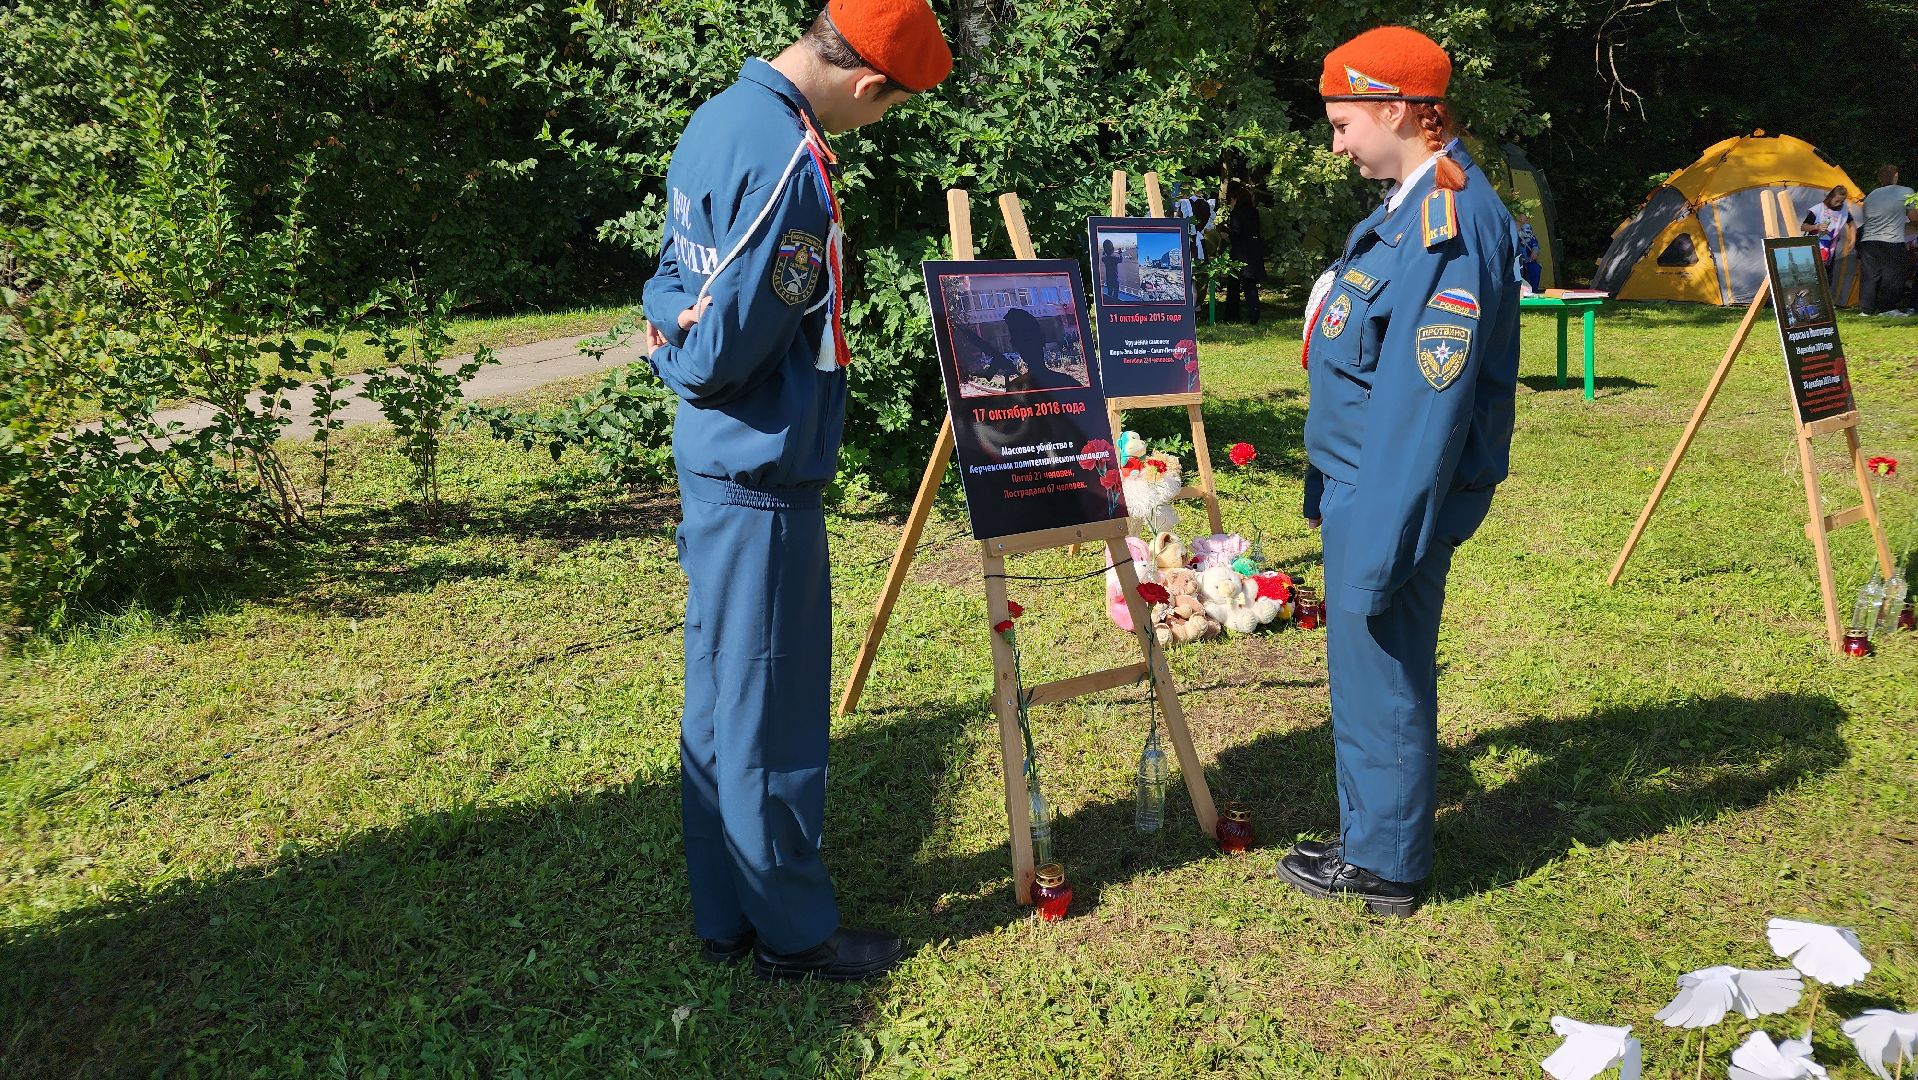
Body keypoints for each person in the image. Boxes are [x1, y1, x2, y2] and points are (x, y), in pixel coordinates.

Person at [640, 0, 951, 982]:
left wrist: (670, 333)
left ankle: (725, 910)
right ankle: (791, 931)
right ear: (868, 85)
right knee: (769, 710)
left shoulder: (717, 116)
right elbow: (724, 344)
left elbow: (664, 282)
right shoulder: (793, 163)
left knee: (720, 699)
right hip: (759, 473)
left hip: (717, 463)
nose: (882, 120)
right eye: (892, 107)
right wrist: (680, 355)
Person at [1276, 26, 1520, 918]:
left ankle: (1385, 863)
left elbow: (1423, 417)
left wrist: (1376, 545)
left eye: (1345, 123)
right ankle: (1373, 832)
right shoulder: (1410, 208)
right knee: (1370, 670)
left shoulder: (1446, 228)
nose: (1337, 143)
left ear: (1397, 110)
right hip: (1362, 485)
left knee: (1381, 668)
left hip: (1389, 493)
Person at [1856, 165, 1914, 316]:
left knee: (1870, 275)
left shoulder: (1871, 195)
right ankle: (1888, 308)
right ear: (1895, 175)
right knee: (1893, 275)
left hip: (1868, 240)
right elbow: (1914, 217)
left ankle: (1866, 310)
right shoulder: (1906, 191)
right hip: (1892, 240)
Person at [1222, 181, 1266, 323]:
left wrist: (1225, 234)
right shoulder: (1254, 212)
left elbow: (1236, 233)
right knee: (1250, 285)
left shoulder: (1236, 214)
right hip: (1253, 252)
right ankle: (1254, 316)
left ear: (1235, 199)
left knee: (1234, 285)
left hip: (1240, 253)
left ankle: (1232, 315)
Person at [1800, 184, 1853, 270]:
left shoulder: (1843, 211)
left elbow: (1852, 224)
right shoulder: (1818, 209)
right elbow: (1803, 227)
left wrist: (1853, 239)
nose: (1839, 204)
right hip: (1814, 247)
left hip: (1830, 249)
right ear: (1831, 196)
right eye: (1837, 201)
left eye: (1841, 202)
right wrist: (1817, 226)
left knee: (1826, 274)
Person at [1515, 214, 1542, 293]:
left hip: (1528, 260)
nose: (1527, 217)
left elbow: (1534, 242)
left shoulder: (1527, 227)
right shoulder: (1509, 226)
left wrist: (1534, 251)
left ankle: (1533, 293)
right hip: (1515, 261)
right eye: (1524, 215)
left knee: (1535, 268)